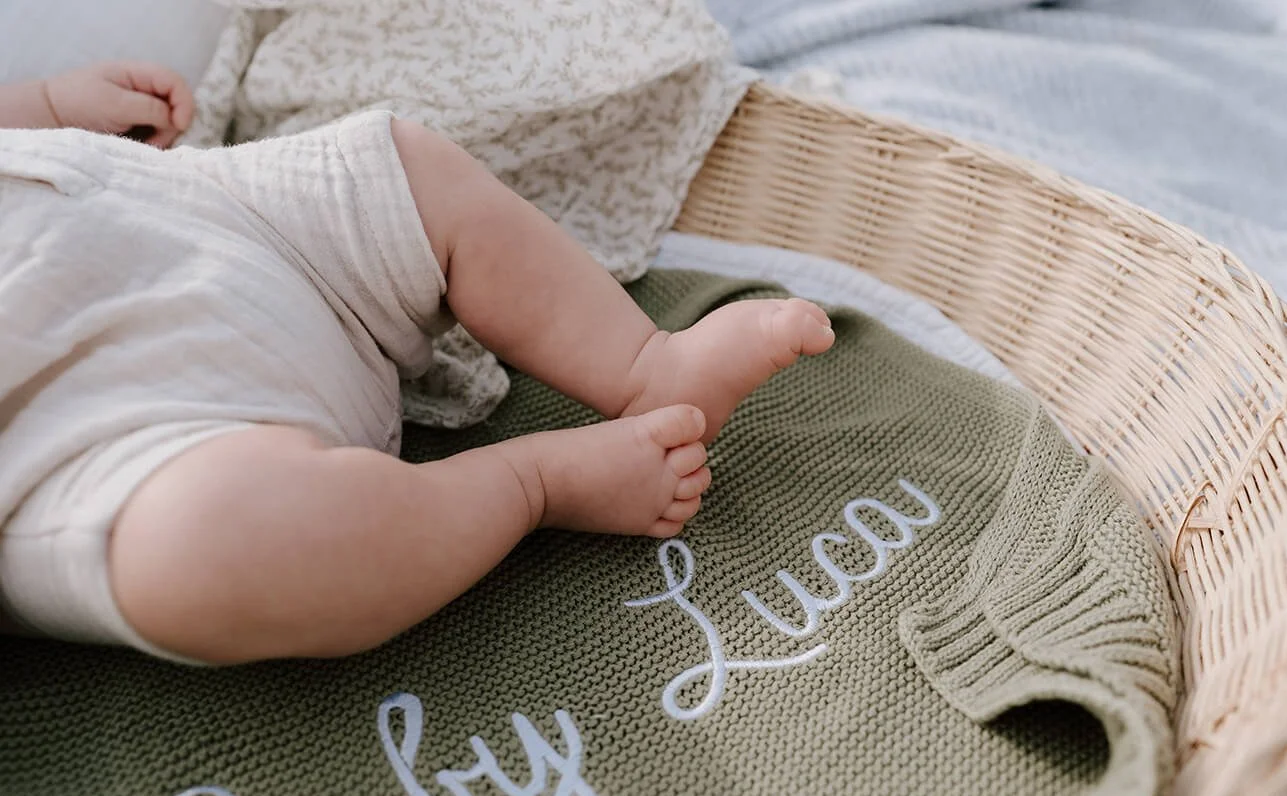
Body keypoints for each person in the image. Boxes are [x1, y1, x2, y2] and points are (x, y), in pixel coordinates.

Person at [0, 60, 835, 666]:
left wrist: (43, 102)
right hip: (107, 440)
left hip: (193, 217)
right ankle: (527, 484)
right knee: (204, 550)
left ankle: (646, 364)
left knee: (398, 163)